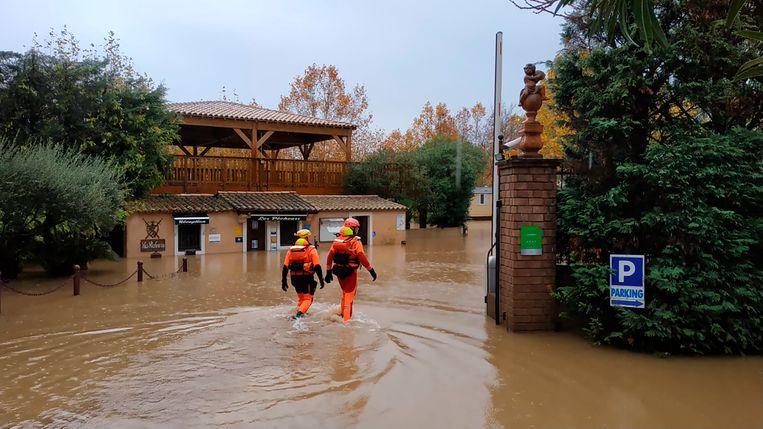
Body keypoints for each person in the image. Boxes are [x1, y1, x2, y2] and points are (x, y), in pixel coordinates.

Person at [324, 218, 377, 321]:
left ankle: (343, 315)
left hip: (338, 271)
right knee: (349, 296)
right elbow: (361, 256)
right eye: (357, 228)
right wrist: (371, 270)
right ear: (352, 228)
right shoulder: (355, 242)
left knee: (344, 293)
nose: (357, 230)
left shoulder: (337, 241)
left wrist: (328, 271)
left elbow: (330, 256)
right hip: (350, 272)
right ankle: (346, 324)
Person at [281, 237, 324, 318]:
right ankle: (299, 315)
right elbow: (317, 266)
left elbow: (285, 267)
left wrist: (284, 281)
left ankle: (299, 311)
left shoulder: (290, 251)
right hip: (306, 278)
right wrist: (321, 280)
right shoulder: (311, 250)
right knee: (308, 299)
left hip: (294, 279)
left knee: (301, 298)